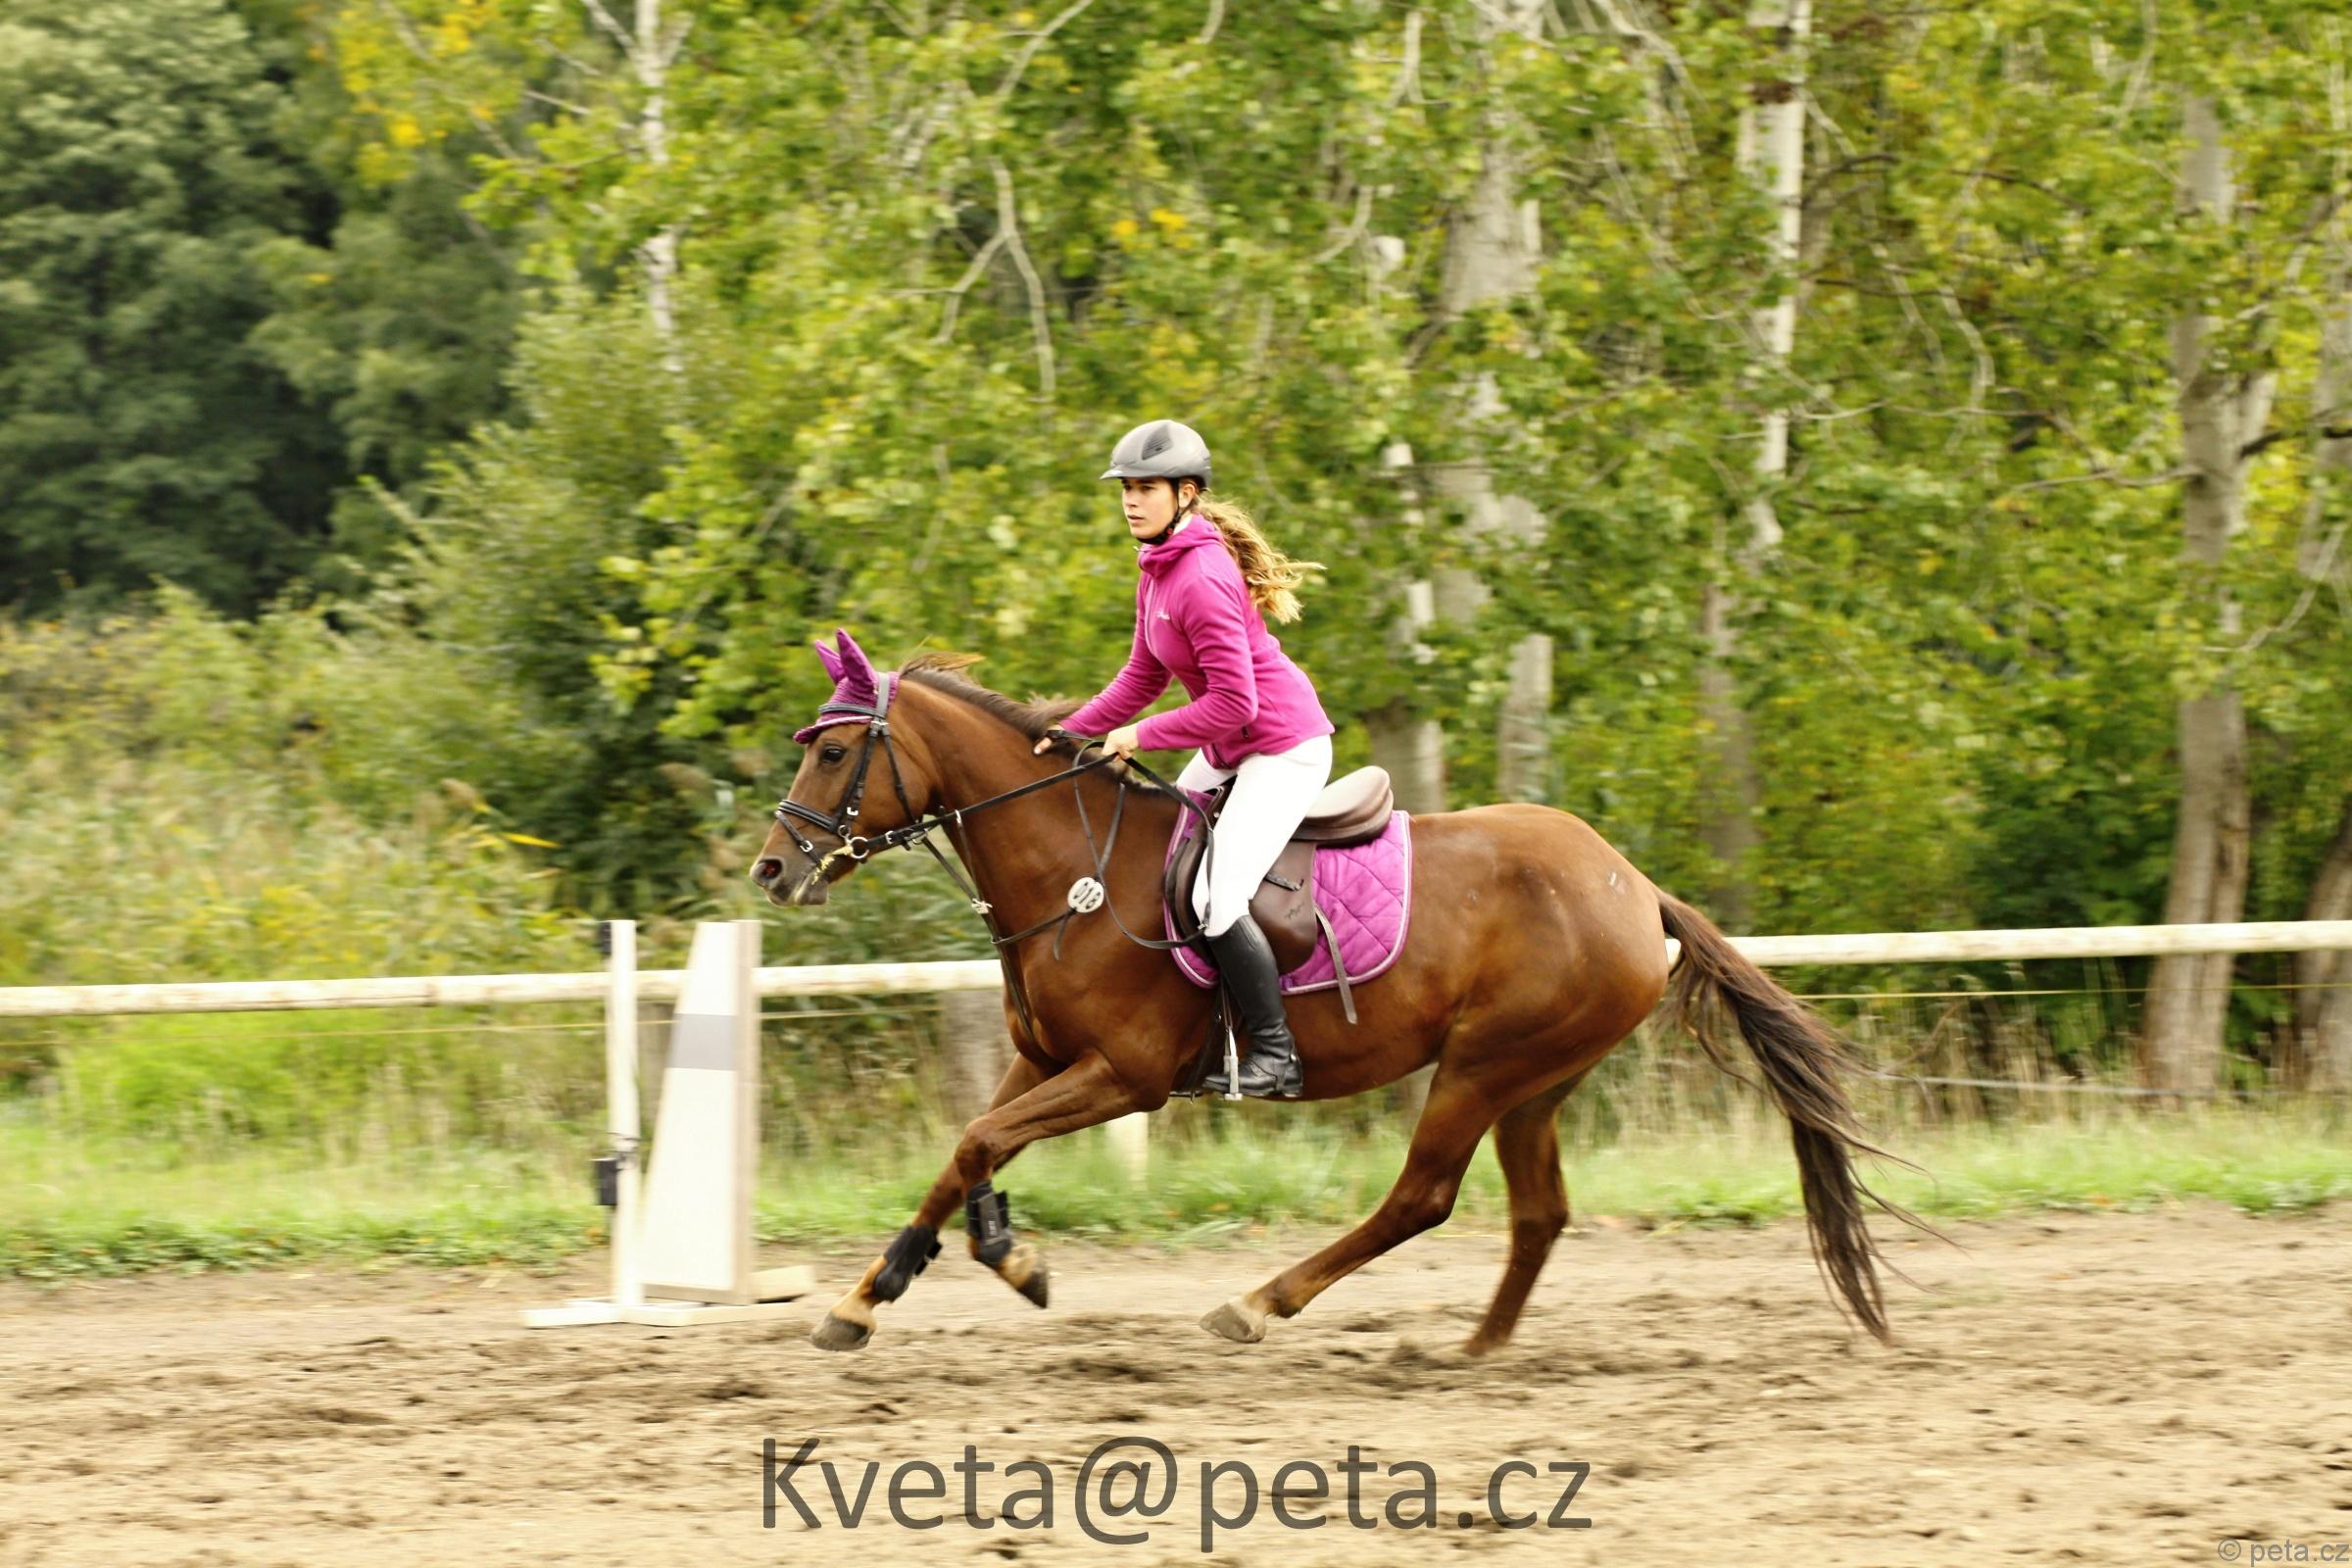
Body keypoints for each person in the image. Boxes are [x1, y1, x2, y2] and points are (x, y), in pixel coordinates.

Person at [1036, 419, 1335, 1098]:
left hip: (1282, 748)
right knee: (1159, 860)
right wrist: (1071, 732)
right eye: (1125, 489)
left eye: (1146, 489)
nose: (1130, 501)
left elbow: (1236, 702)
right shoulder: (1158, 569)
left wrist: (1140, 736)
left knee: (1215, 897)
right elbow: (1141, 677)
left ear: (1186, 494)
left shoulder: (1200, 577)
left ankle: (1276, 1054)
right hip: (1232, 747)